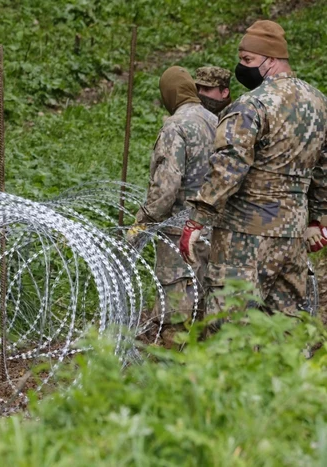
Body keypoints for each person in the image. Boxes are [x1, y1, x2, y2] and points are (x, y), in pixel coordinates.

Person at [180, 20, 327, 325]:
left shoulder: (251, 105)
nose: (241, 67)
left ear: (271, 60)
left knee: (231, 333)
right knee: (284, 332)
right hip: (293, 237)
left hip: (244, 239)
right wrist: (317, 217)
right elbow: (324, 169)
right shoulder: (319, 104)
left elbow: (229, 166)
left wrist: (197, 219)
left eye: (247, 60)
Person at [130, 66, 217, 340]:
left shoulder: (175, 126)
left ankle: (173, 372)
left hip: (178, 232)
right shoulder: (216, 120)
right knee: (204, 305)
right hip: (212, 227)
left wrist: (143, 221)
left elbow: (167, 185)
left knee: (176, 311)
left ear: (169, 93)